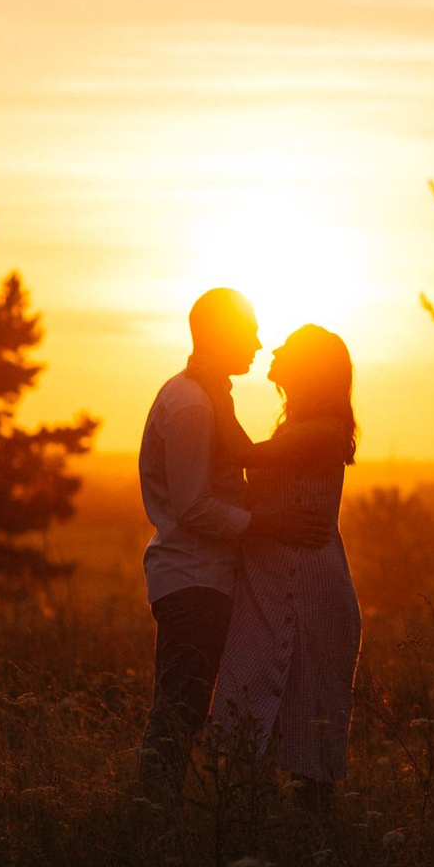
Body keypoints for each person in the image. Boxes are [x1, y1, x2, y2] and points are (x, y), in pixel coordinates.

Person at [136, 289, 323, 793]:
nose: (260, 344)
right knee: (180, 711)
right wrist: (269, 525)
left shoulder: (206, 394)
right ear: (221, 335)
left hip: (202, 579)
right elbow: (194, 506)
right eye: (250, 331)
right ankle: (153, 819)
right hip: (195, 581)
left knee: (186, 708)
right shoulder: (194, 404)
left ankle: (159, 816)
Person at [210, 323, 364, 805]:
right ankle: (257, 833)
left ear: (310, 368)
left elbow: (241, 454)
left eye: (289, 347)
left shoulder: (322, 430)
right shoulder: (301, 425)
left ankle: (312, 852)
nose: (274, 348)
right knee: (257, 703)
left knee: (307, 724)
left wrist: (211, 387)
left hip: (308, 589)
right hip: (278, 584)